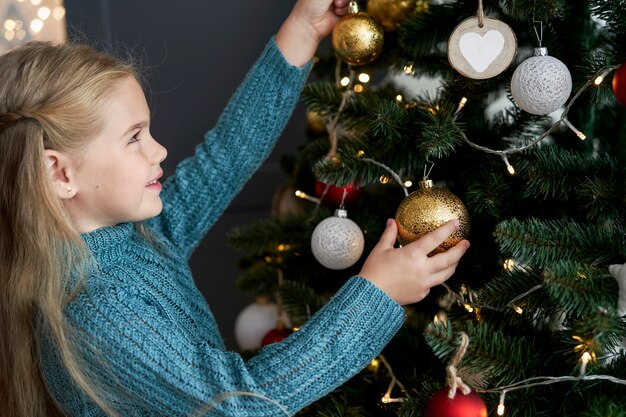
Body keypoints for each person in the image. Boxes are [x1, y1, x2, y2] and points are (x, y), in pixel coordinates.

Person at [0, 0, 470, 416]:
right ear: (60, 174)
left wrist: (302, 31)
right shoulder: (100, 310)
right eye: (134, 137)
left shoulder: (131, 235)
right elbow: (243, 405)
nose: (158, 150)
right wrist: (377, 293)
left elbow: (225, 157)